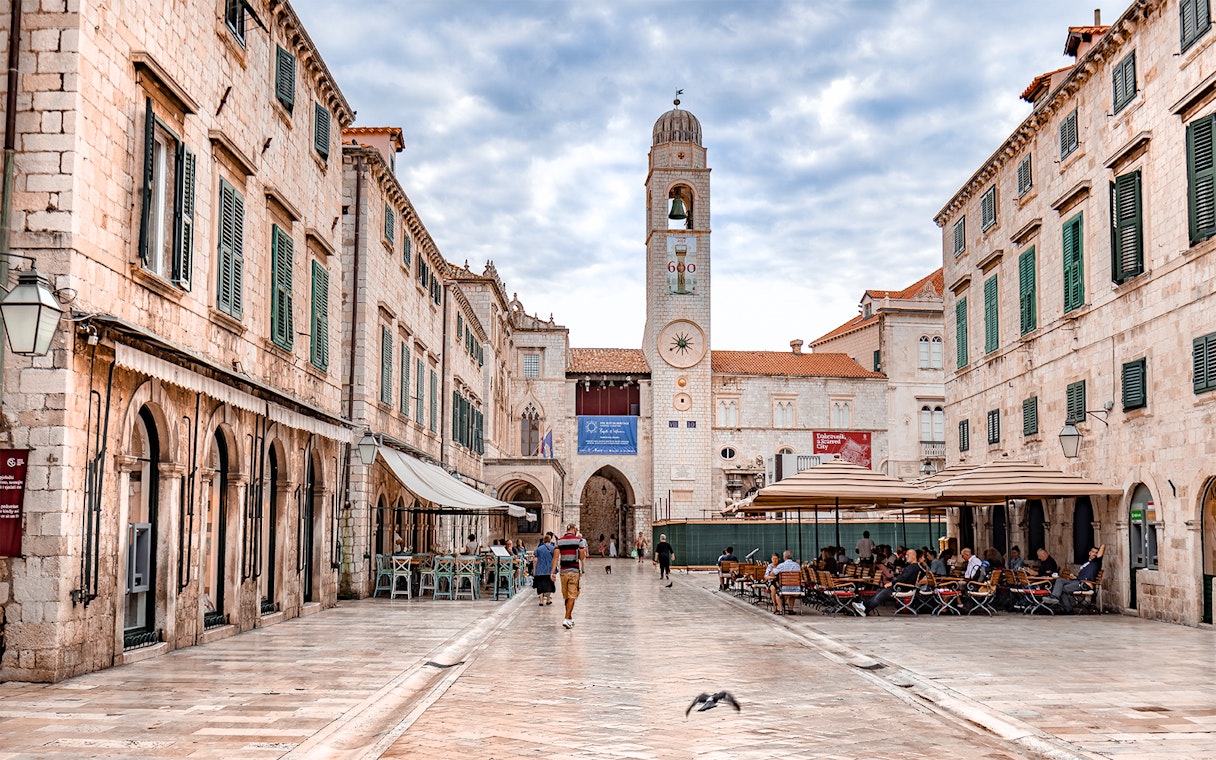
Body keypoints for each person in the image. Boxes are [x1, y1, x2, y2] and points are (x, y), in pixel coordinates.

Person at [854, 548, 924, 616]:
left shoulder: (912, 567)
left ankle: (865, 608)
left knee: (881, 595)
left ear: (914, 556)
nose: (905, 556)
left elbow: (902, 578)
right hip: (902, 586)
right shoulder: (916, 567)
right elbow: (911, 577)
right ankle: (864, 606)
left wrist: (892, 582)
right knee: (879, 591)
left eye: (907, 555)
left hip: (901, 588)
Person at [1048, 544, 1105, 613]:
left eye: (1096, 552)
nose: (1094, 554)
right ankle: (1055, 598)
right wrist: (1074, 576)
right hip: (1077, 581)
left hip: (1084, 584)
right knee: (1059, 581)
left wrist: (1101, 546)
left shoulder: (1096, 562)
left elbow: (1103, 546)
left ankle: (1061, 603)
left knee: (1061, 589)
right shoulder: (1086, 563)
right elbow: (1082, 575)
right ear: (1089, 553)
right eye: (1093, 552)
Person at [556, 523, 588, 628]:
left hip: (563, 571)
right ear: (574, 529)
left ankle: (569, 618)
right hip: (574, 571)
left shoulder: (559, 540)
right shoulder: (578, 541)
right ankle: (566, 618)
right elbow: (582, 557)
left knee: (567, 596)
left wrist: (552, 572)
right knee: (572, 595)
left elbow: (556, 557)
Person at [532, 533, 557, 606]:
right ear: (550, 540)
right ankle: (548, 599)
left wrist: (534, 570)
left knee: (540, 585)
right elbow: (555, 558)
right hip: (549, 569)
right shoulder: (553, 548)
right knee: (549, 584)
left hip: (540, 569)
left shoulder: (539, 549)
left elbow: (535, 560)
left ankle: (540, 601)